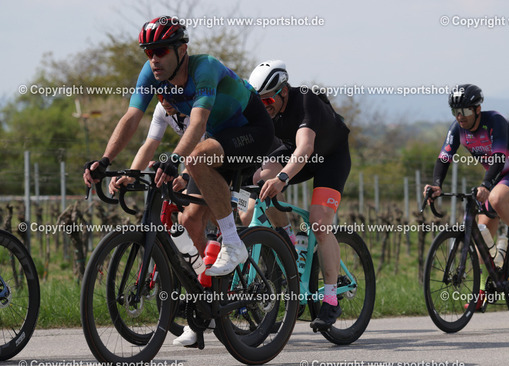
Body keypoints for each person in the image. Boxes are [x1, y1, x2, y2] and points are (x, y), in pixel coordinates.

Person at [83, 16, 274, 277]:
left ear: (182, 49)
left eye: (161, 51)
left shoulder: (204, 68)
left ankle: (233, 243)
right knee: (190, 219)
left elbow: (197, 123)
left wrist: (174, 160)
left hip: (253, 131)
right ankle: (207, 289)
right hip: (218, 141)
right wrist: (105, 160)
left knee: (194, 159)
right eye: (149, 52)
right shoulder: (151, 73)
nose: (154, 59)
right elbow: (131, 118)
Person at [248, 60, 351, 331]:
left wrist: (282, 178)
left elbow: (305, 147)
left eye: (268, 99)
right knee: (259, 181)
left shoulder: (305, 100)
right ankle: (287, 240)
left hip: (329, 158)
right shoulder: (264, 109)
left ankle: (331, 299)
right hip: (294, 153)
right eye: (259, 101)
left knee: (319, 222)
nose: (264, 106)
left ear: (284, 91)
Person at [423, 84, 509, 309]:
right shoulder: (457, 129)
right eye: (455, 112)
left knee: (496, 199)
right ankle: (482, 291)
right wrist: (436, 185)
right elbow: (444, 158)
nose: (460, 116)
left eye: (465, 111)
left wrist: (486, 185)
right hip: (498, 176)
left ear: (477, 109)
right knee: (482, 236)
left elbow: (498, 158)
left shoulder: (495, 121)